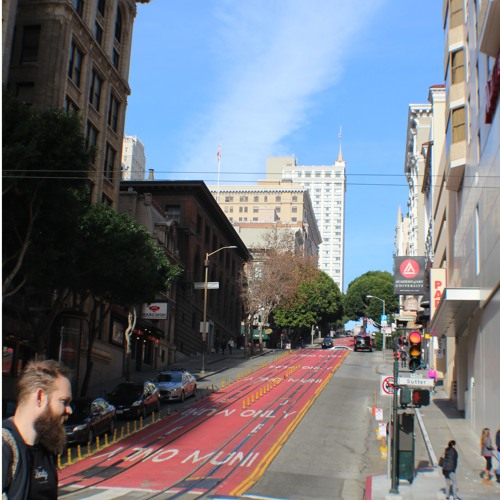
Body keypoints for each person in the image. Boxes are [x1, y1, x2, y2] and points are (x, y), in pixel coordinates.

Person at [2, 359, 73, 499]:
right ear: (40, 397)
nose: (69, 410)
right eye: (64, 402)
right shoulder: (5, 447)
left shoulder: (47, 448)